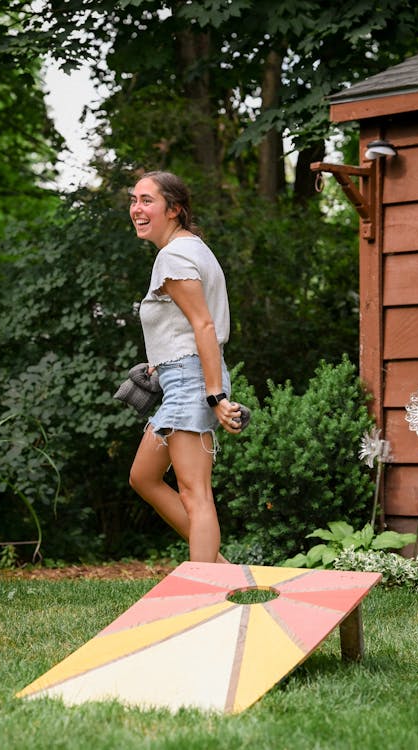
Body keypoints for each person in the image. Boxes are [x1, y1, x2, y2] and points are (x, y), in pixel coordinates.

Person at [128, 170, 241, 564]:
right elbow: (187, 327)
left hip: (193, 381)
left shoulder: (173, 256)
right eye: (134, 200)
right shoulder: (192, 248)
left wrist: (214, 395)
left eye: (147, 201)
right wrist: (159, 366)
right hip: (181, 376)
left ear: (174, 209)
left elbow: (204, 325)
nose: (137, 209)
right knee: (143, 476)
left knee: (195, 492)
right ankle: (218, 567)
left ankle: (206, 590)